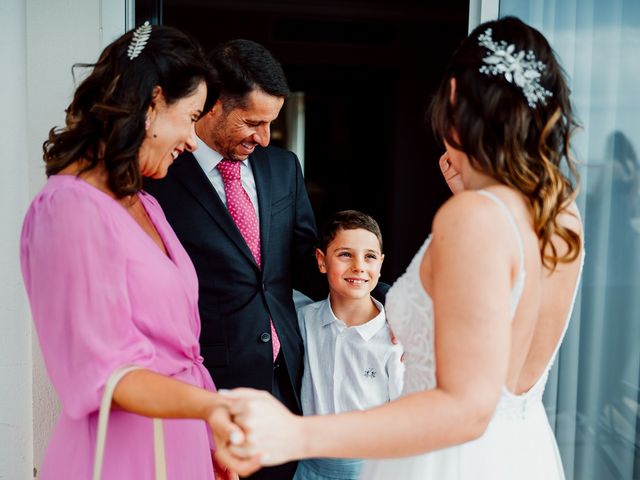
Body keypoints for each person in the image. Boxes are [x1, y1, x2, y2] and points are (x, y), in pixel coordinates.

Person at [214, 16, 585, 480]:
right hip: (519, 451)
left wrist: (296, 433)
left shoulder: (474, 220)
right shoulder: (557, 214)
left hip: (450, 461)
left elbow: (464, 410)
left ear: (453, 98)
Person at [20, 22, 242, 480]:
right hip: (125, 455)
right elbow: (105, 372)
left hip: (181, 446)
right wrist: (215, 408)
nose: (192, 140)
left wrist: (206, 436)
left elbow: (179, 352)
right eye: (191, 116)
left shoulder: (147, 205)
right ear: (153, 102)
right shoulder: (67, 209)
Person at [293, 210, 403, 480]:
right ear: (322, 261)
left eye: (369, 256)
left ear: (381, 264)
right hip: (307, 467)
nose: (359, 266)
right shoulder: (301, 318)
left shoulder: (396, 339)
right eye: (345, 254)